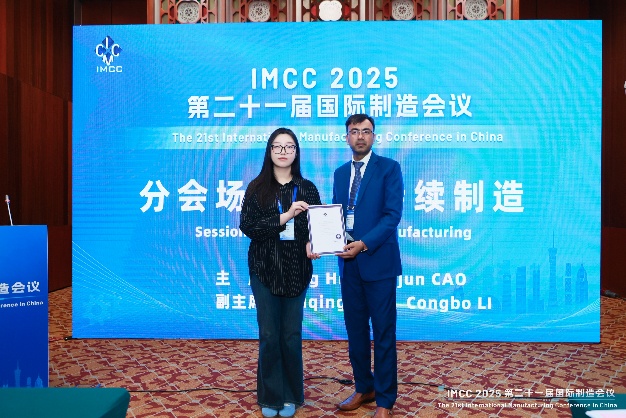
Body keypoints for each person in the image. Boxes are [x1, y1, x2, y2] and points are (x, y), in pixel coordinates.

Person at [239, 127, 322, 418]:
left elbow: (317, 226)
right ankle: (271, 396)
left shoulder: (307, 188)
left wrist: (313, 242)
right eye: (278, 146)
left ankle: (290, 396)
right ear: (270, 151)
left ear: (297, 152)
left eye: (289, 146)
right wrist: (285, 216)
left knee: (291, 334)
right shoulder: (257, 188)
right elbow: (249, 227)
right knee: (269, 334)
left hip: (297, 269)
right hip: (264, 268)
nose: (284, 151)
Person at [332, 114, 403, 418]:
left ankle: (385, 400)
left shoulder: (389, 168)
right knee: (356, 331)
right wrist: (328, 240)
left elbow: (392, 215)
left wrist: (363, 243)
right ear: (346, 137)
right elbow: (335, 215)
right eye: (354, 131)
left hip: (378, 263)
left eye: (366, 131)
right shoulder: (339, 173)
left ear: (374, 136)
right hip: (348, 265)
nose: (360, 136)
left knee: (383, 333)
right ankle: (364, 386)